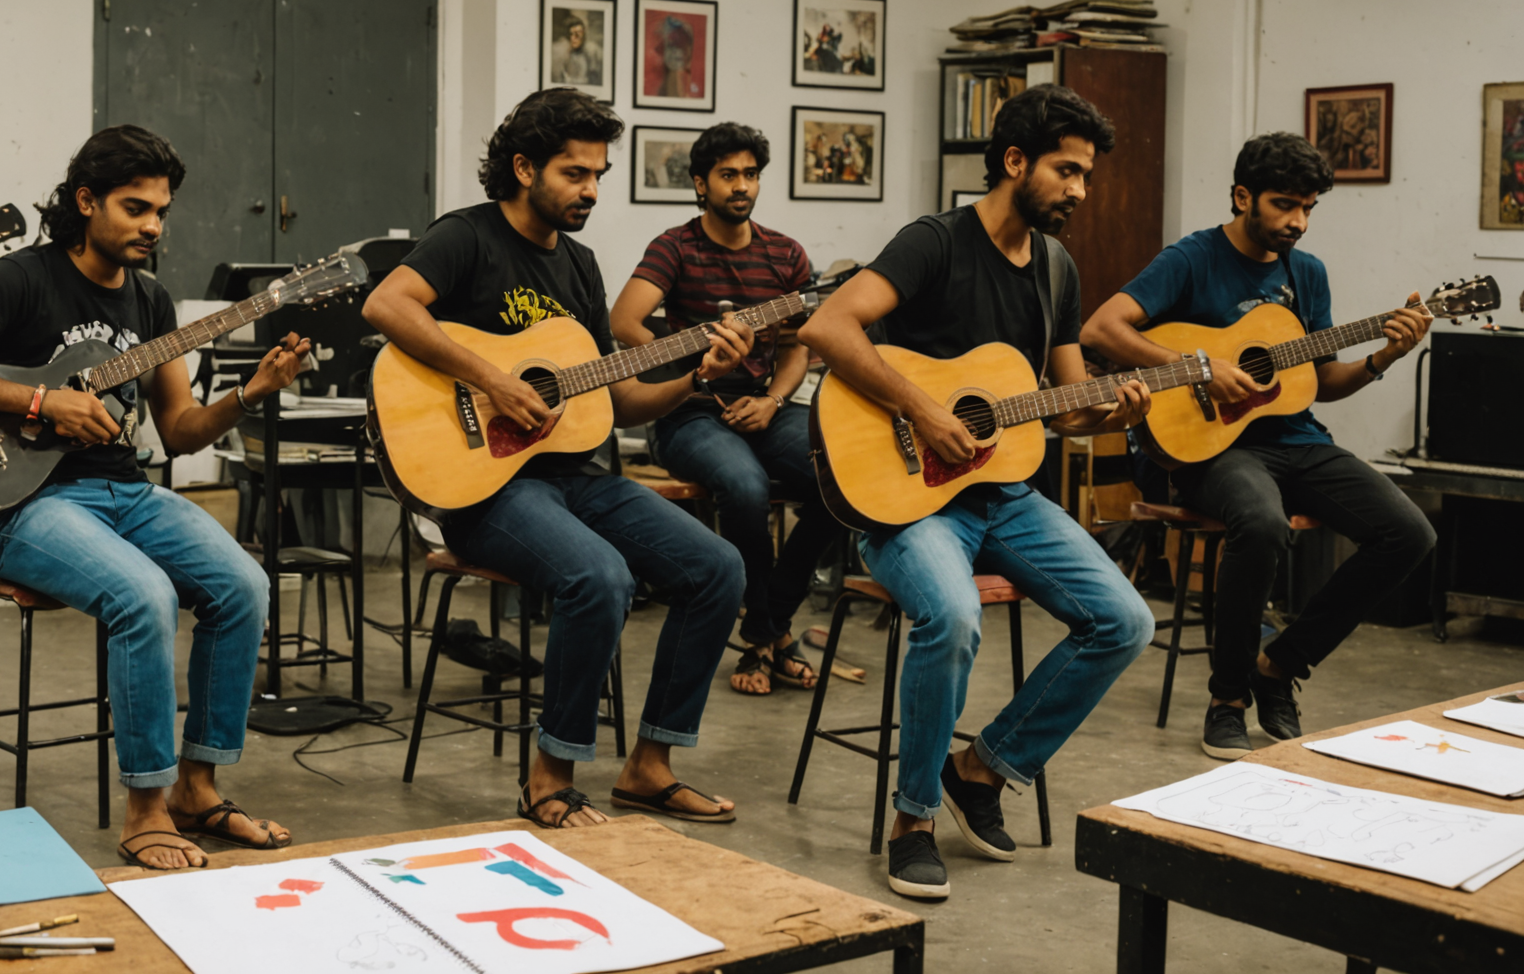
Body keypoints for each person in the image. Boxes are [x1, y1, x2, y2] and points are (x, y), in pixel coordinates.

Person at [0, 125, 300, 871]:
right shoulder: (22, 278)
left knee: (244, 584)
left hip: (125, 492)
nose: (153, 225)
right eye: (135, 207)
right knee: (143, 595)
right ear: (86, 202)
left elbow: (179, 432)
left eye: (162, 212)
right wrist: (42, 403)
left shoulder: (150, 302)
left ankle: (197, 789)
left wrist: (250, 393)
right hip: (22, 506)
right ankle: (144, 808)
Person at [800, 85, 1156, 899]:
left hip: (1004, 493)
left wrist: (1110, 405)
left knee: (1124, 620)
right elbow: (827, 327)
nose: (1079, 191)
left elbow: (1064, 407)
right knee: (953, 616)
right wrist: (924, 409)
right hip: (906, 493)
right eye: (1067, 171)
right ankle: (914, 818)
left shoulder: (1057, 268)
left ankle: (983, 769)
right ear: (1014, 161)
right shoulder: (935, 242)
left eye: (1087, 177)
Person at [363, 87, 752, 830]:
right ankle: (549, 777)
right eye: (576, 174)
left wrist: (694, 376)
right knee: (598, 575)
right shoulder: (467, 236)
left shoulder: (579, 265)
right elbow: (386, 305)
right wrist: (494, 381)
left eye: (599, 174)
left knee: (719, 568)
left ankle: (650, 765)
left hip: (574, 475)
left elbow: (617, 402)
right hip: (484, 490)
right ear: (523, 167)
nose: (592, 191)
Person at [1081, 131, 1436, 761]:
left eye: (1308, 208)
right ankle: (1227, 699)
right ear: (1243, 196)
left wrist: (1385, 355)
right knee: (1263, 522)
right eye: (1283, 205)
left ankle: (1278, 667)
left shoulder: (1308, 275)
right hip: (1211, 447)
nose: (1297, 222)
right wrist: (1196, 366)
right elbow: (1101, 328)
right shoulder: (1191, 259)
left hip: (1295, 440)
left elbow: (1321, 384)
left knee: (1410, 533)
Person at [608, 122, 854, 698]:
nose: (741, 186)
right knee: (742, 485)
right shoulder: (676, 246)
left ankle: (767, 626)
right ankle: (771, 635)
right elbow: (624, 322)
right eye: (728, 175)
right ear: (700, 184)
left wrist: (771, 401)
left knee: (842, 475)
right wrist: (686, 372)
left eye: (750, 175)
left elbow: (799, 344)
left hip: (762, 406)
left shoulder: (786, 255)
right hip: (689, 413)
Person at [550, 16, 603, 86]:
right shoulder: (561, 54)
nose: (576, 37)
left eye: (579, 33)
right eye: (572, 34)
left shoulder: (593, 51)